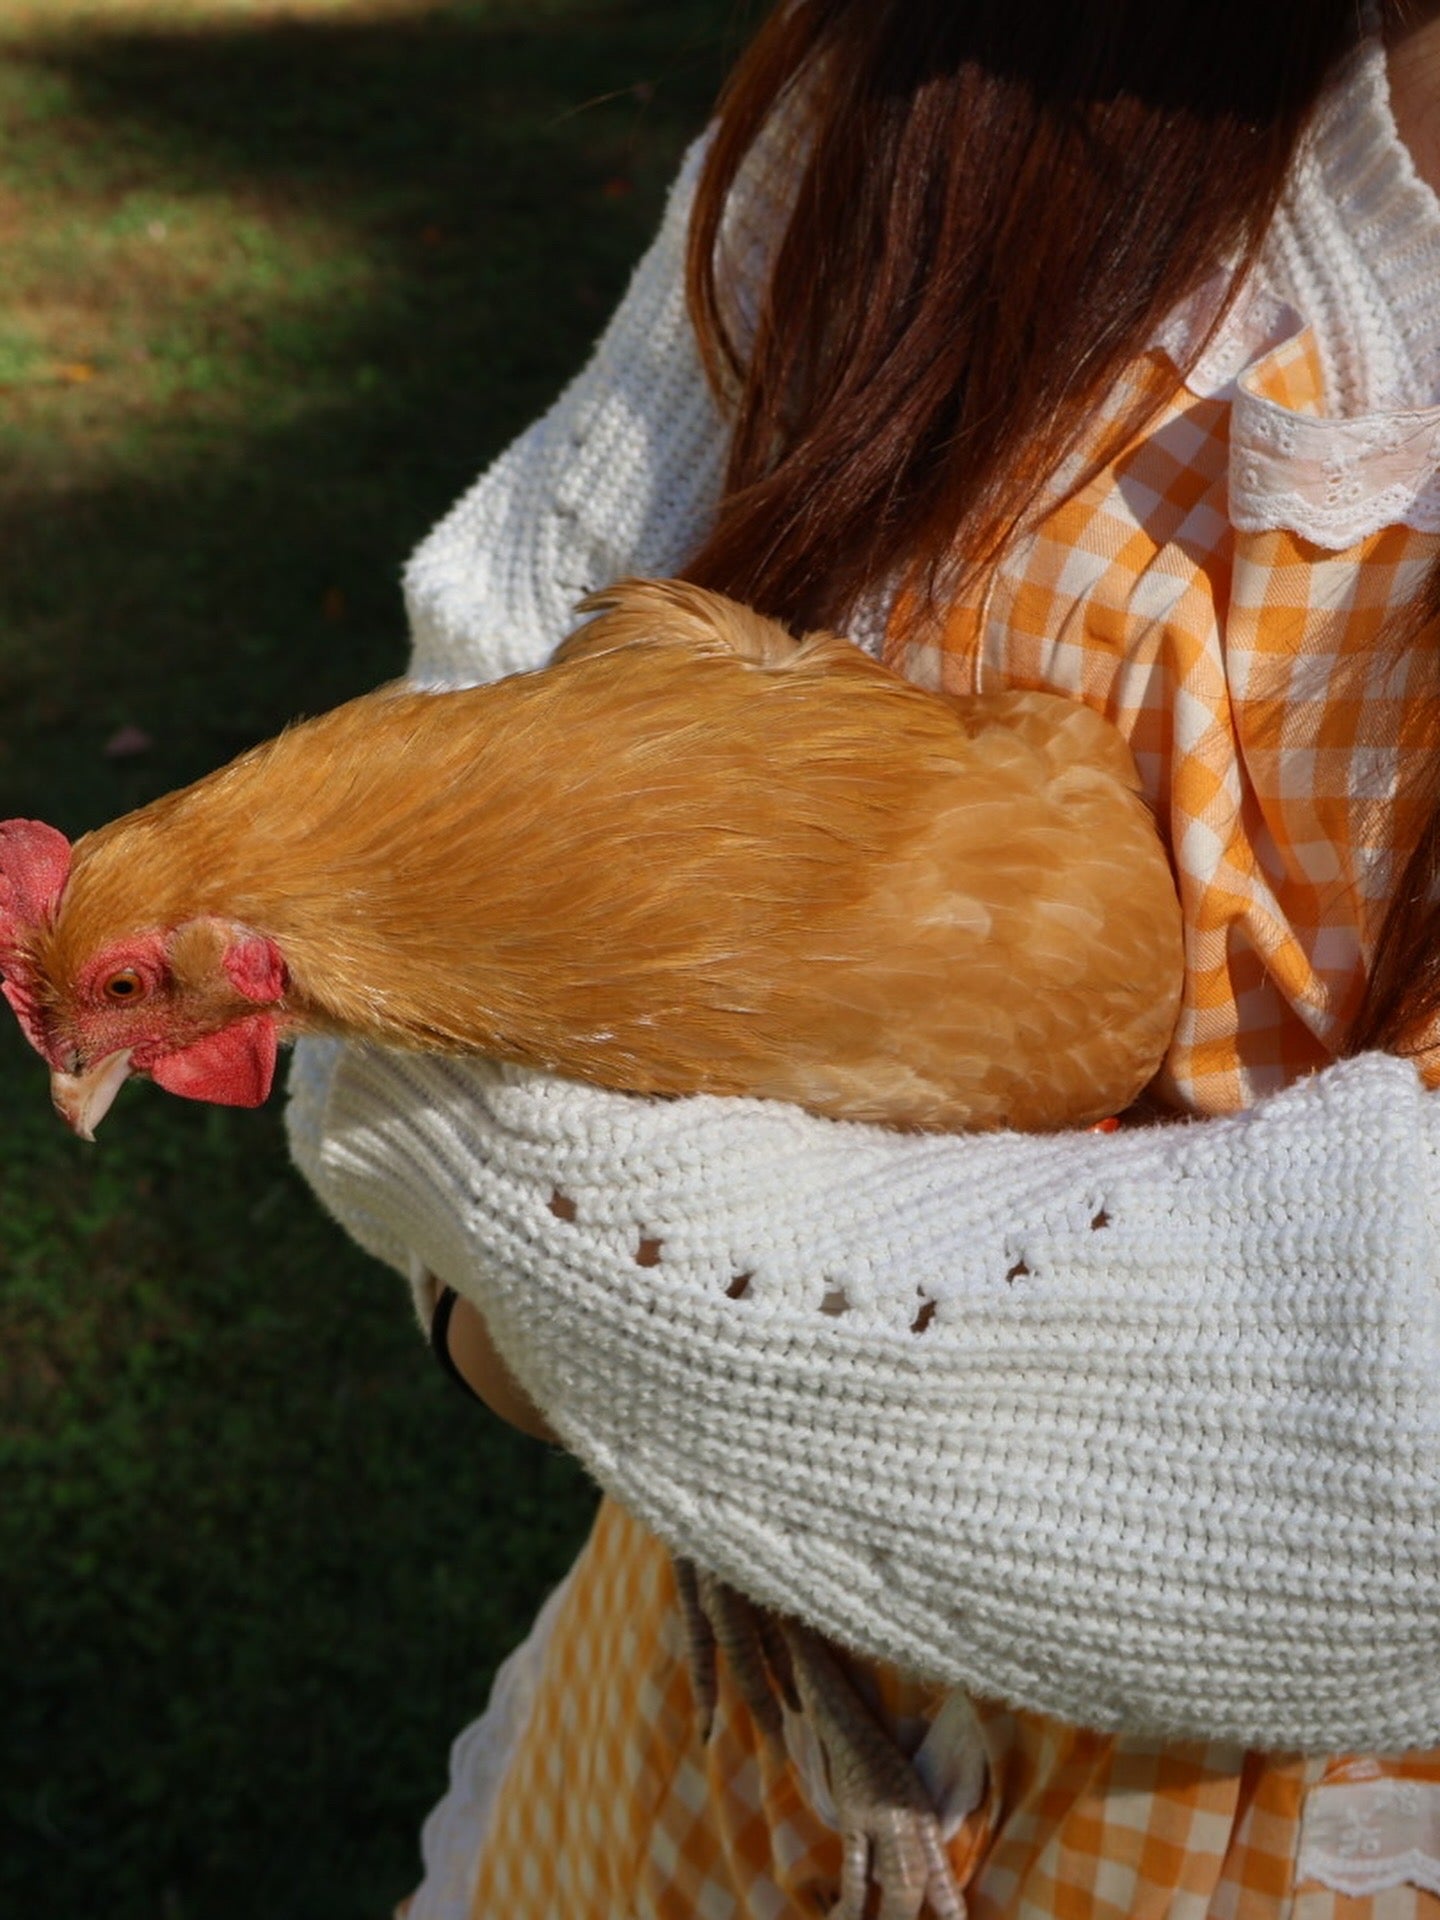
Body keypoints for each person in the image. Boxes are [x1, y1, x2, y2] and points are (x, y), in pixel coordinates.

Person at [286, 1, 1440, 1912]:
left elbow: (1384, 1442)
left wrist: (569, 1285)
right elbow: (403, 861)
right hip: (695, 1804)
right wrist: (499, 1275)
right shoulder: (927, 93)